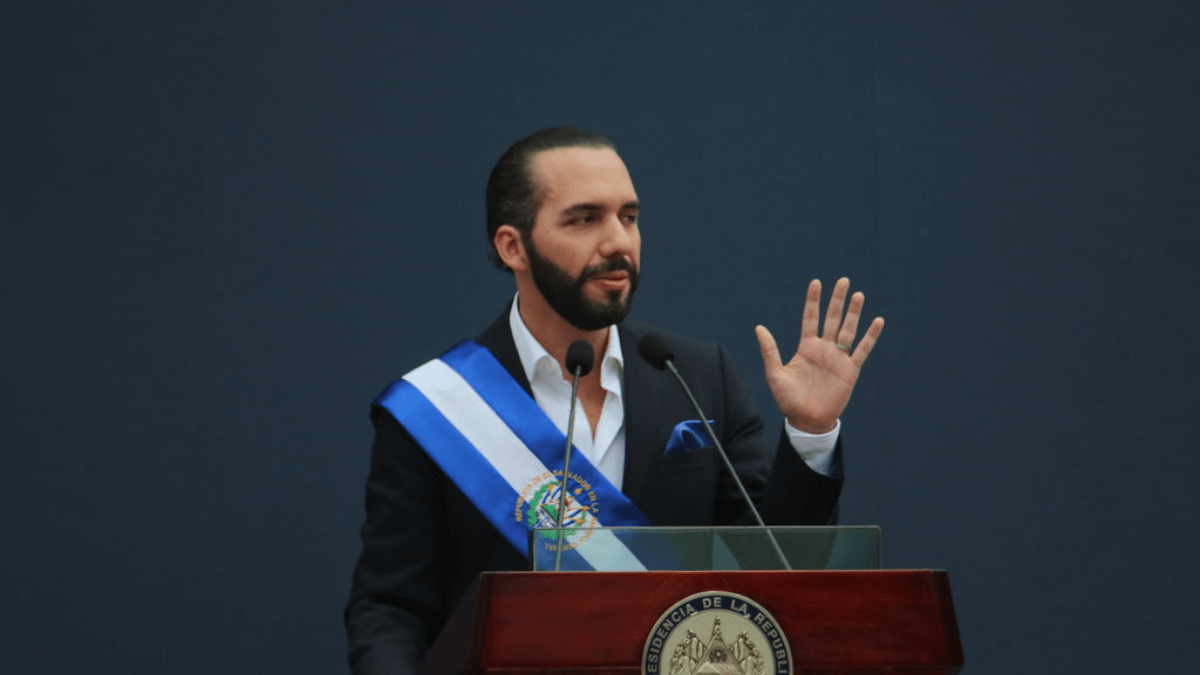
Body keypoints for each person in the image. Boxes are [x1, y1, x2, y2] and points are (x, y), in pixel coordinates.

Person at [344, 127, 884, 674]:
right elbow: (391, 608)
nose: (618, 241)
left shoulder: (699, 378)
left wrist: (812, 430)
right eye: (585, 218)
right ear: (513, 246)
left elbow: (776, 566)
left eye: (628, 216)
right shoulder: (436, 407)